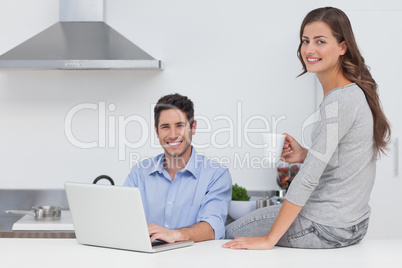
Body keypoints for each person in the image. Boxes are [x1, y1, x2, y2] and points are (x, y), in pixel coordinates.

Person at [223, 7, 391, 250]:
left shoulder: (338, 101)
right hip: (353, 225)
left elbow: (307, 179)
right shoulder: (351, 93)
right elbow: (346, 158)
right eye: (305, 41)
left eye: (320, 41)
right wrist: (304, 154)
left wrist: (269, 240)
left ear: (342, 47)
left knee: (227, 230)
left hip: (325, 226)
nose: (309, 50)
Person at [124, 93, 232, 243]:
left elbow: (213, 227)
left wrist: (175, 235)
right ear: (157, 131)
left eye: (180, 125)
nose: (173, 135)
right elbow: (122, 220)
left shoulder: (216, 175)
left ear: (193, 127)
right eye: (165, 127)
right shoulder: (139, 173)